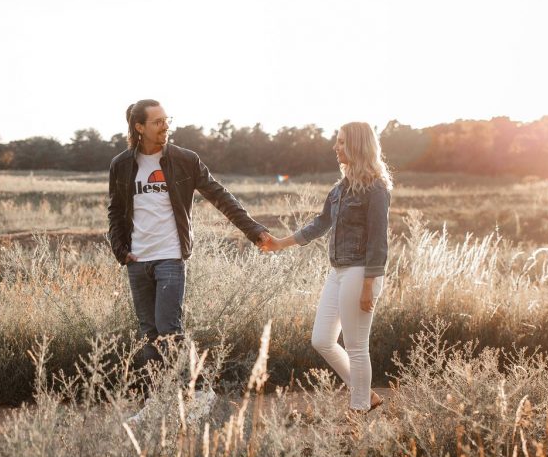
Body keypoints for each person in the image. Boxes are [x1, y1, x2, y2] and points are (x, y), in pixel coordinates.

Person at [107, 99, 271, 384]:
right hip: (138, 261)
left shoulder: (185, 160)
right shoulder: (121, 165)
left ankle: (199, 395)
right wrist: (121, 251)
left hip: (170, 256)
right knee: (149, 336)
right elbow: (115, 211)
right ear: (139, 127)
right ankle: (155, 405)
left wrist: (254, 231)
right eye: (157, 122)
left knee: (169, 331)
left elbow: (220, 196)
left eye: (166, 119)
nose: (165, 126)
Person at [260, 121, 392, 413]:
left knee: (357, 346)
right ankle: (365, 394)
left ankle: (359, 409)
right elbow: (320, 224)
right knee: (321, 339)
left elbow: (378, 242)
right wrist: (280, 243)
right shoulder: (339, 189)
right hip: (338, 271)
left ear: (357, 145)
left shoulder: (376, 189)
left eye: (342, 142)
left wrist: (369, 285)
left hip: (361, 272)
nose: (336, 147)